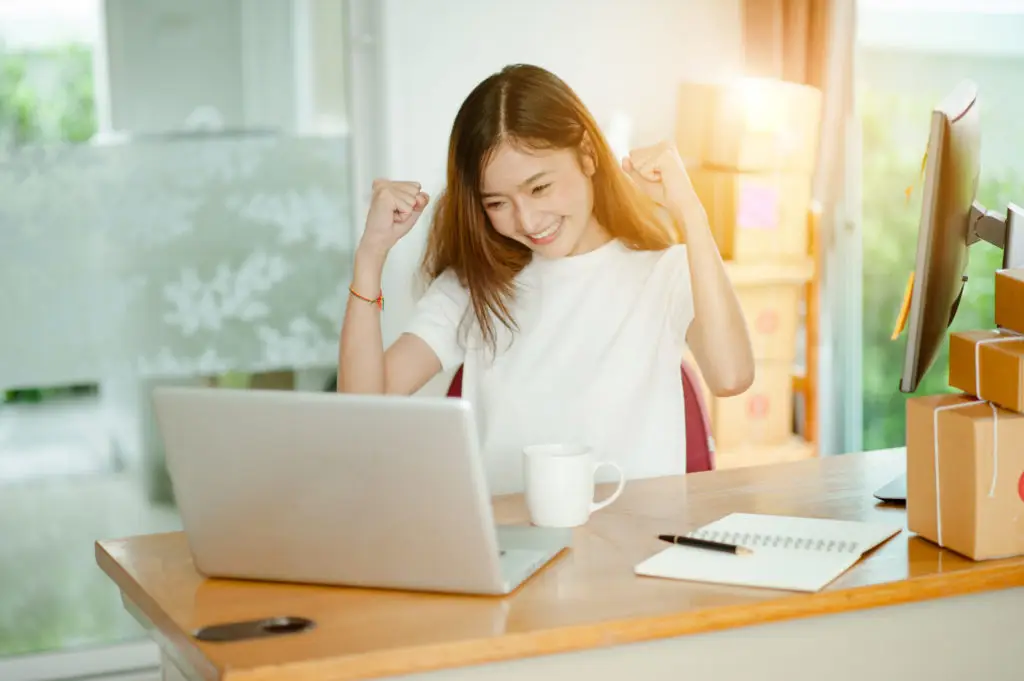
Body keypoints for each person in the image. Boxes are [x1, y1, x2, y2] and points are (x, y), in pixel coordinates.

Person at [338, 64, 753, 494]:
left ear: (588, 154)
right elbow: (364, 410)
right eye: (498, 203)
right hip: (513, 549)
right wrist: (371, 256)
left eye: (539, 189)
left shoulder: (663, 273)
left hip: (633, 546)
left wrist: (690, 210)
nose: (528, 220)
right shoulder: (476, 287)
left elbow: (731, 376)